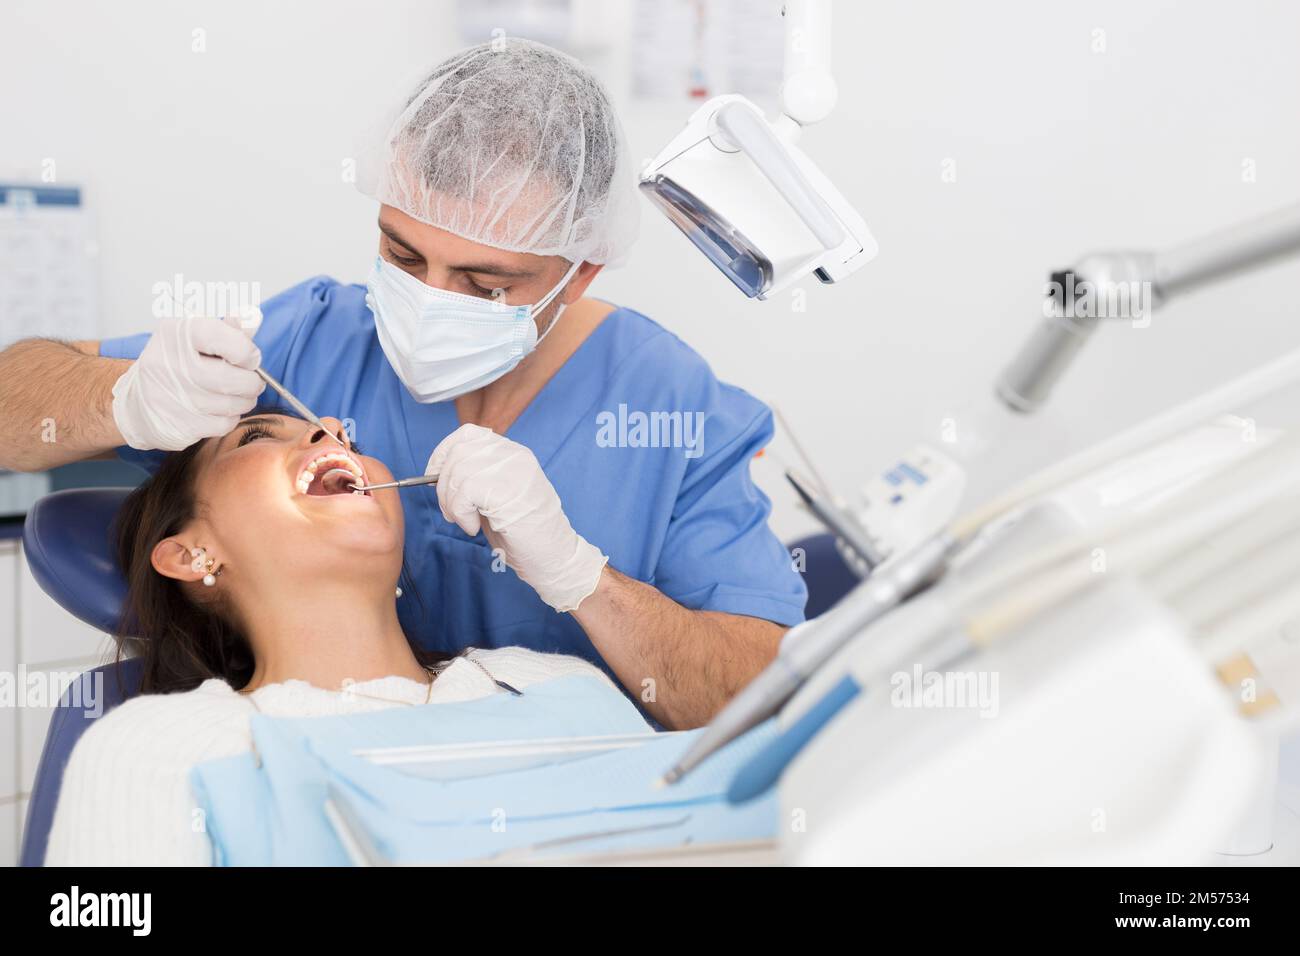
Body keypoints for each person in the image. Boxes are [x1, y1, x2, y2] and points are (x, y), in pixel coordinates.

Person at [0, 38, 805, 730]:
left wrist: (583, 580)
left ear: (580, 273)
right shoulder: (309, 339)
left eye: (487, 286)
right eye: (404, 256)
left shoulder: (667, 407)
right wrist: (125, 396)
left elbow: (759, 702)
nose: (430, 304)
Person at [44, 410, 639, 866]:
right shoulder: (155, 748)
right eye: (254, 437)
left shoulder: (558, 686)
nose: (332, 430)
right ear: (191, 553)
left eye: (346, 438)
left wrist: (581, 574)